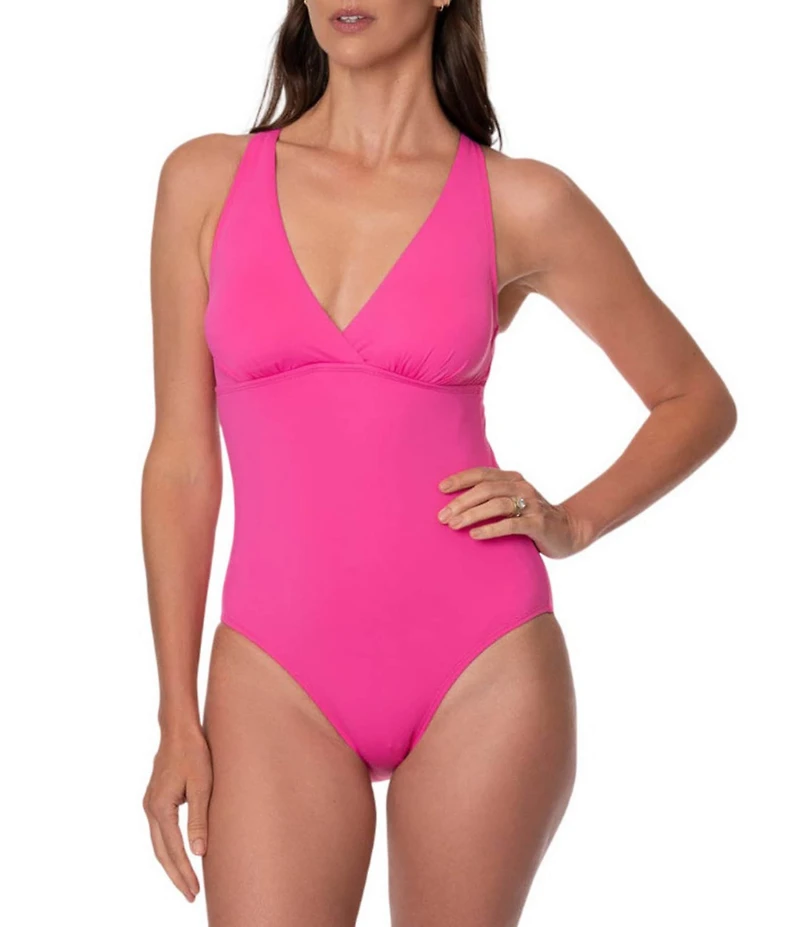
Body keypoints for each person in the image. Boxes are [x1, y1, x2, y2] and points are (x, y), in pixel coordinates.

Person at [141, 1, 737, 924]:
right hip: (272, 671)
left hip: (482, 664)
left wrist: (570, 521)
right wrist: (176, 713)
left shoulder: (521, 201)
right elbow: (182, 463)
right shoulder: (205, 181)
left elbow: (695, 398)